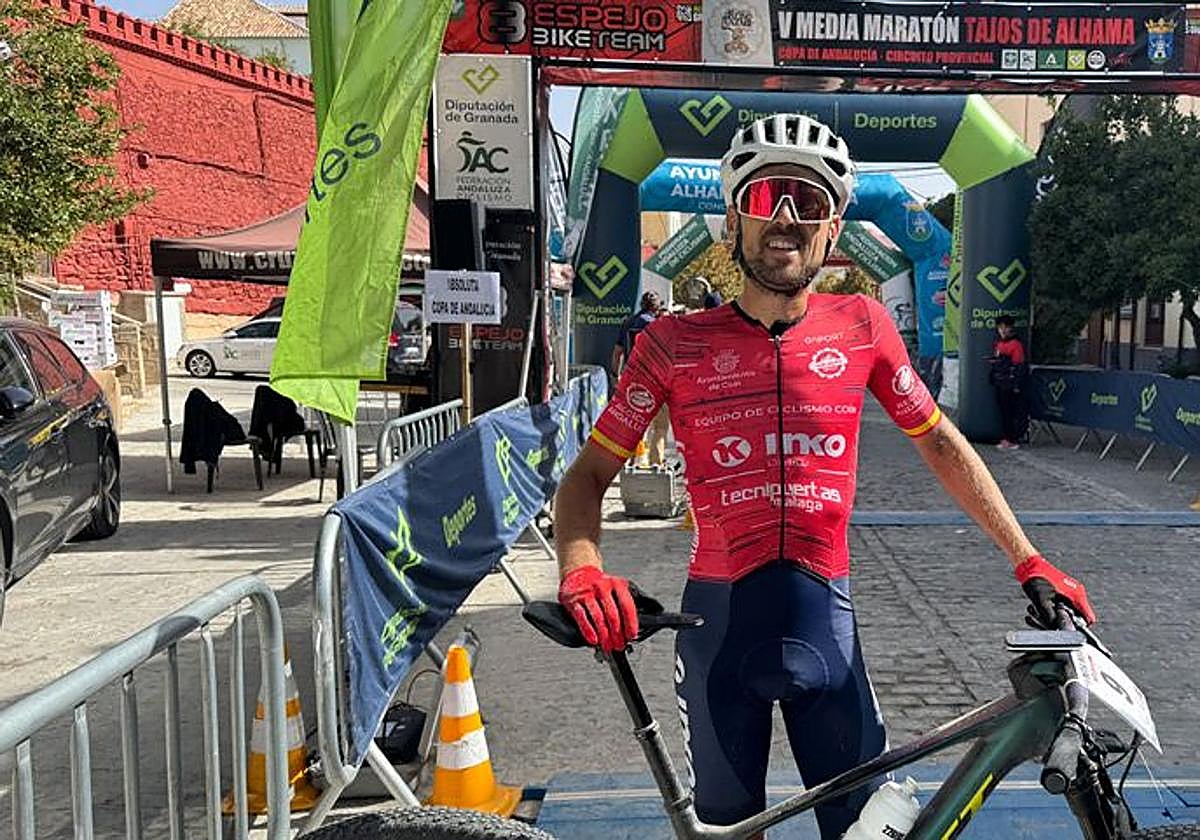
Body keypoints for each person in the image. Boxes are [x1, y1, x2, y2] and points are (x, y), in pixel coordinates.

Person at [553, 113, 1096, 838]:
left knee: (867, 832)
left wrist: (1027, 558)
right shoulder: (673, 342)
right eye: (765, 195)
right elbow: (587, 476)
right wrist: (582, 568)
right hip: (718, 641)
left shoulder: (864, 323)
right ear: (733, 219)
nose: (785, 217)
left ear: (832, 229)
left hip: (828, 639)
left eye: (807, 203)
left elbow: (941, 444)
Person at [611, 290, 669, 466]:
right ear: (656, 307)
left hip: (632, 380)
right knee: (660, 426)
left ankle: (633, 462)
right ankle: (656, 464)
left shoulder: (628, 322)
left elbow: (617, 353)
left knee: (636, 424)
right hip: (656, 381)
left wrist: (615, 375)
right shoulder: (658, 325)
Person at [989, 315, 1028, 449]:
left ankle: (1012, 439)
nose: (1003, 330)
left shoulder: (1016, 344)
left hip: (1010, 384)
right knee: (1003, 412)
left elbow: (1019, 365)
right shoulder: (998, 344)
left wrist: (1016, 384)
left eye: (1006, 327)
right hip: (1000, 382)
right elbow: (997, 361)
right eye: (1000, 327)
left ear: (1011, 328)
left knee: (1010, 412)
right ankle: (1006, 438)